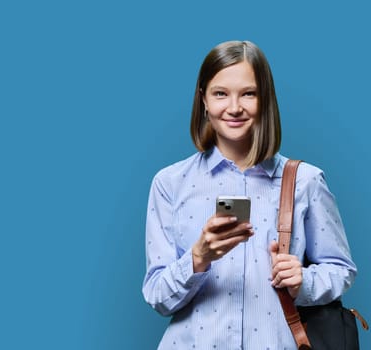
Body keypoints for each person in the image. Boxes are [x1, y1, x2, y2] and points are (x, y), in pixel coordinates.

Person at [142, 40, 357, 349]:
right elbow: (158, 297)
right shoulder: (169, 183)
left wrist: (303, 282)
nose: (234, 107)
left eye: (248, 93)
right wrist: (198, 257)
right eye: (220, 93)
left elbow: (341, 271)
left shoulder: (306, 181)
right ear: (203, 100)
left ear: (265, 99)